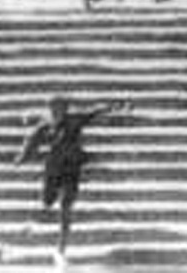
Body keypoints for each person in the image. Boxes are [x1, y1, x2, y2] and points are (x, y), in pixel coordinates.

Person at [15, 97, 131, 260]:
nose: (57, 113)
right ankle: (48, 211)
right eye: (53, 109)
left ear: (66, 109)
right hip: (53, 170)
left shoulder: (75, 120)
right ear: (49, 110)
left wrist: (114, 106)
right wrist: (22, 157)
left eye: (60, 109)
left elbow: (94, 111)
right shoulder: (44, 126)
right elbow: (31, 141)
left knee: (66, 206)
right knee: (47, 201)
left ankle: (61, 248)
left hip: (71, 169)